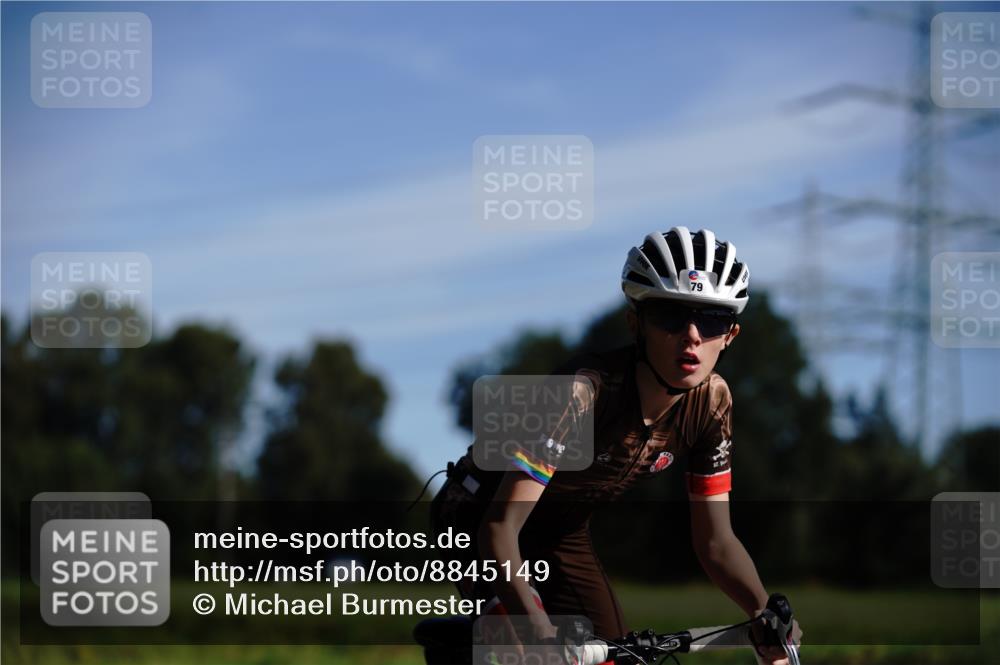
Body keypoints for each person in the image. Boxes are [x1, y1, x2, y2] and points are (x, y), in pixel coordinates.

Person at [429, 227, 801, 665]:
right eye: (670, 316)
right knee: (526, 648)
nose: (693, 336)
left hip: (563, 529)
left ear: (731, 335)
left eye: (712, 320)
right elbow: (500, 527)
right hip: (479, 518)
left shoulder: (711, 402)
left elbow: (716, 541)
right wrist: (539, 631)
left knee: (616, 660)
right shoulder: (581, 394)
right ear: (635, 322)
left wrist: (761, 611)